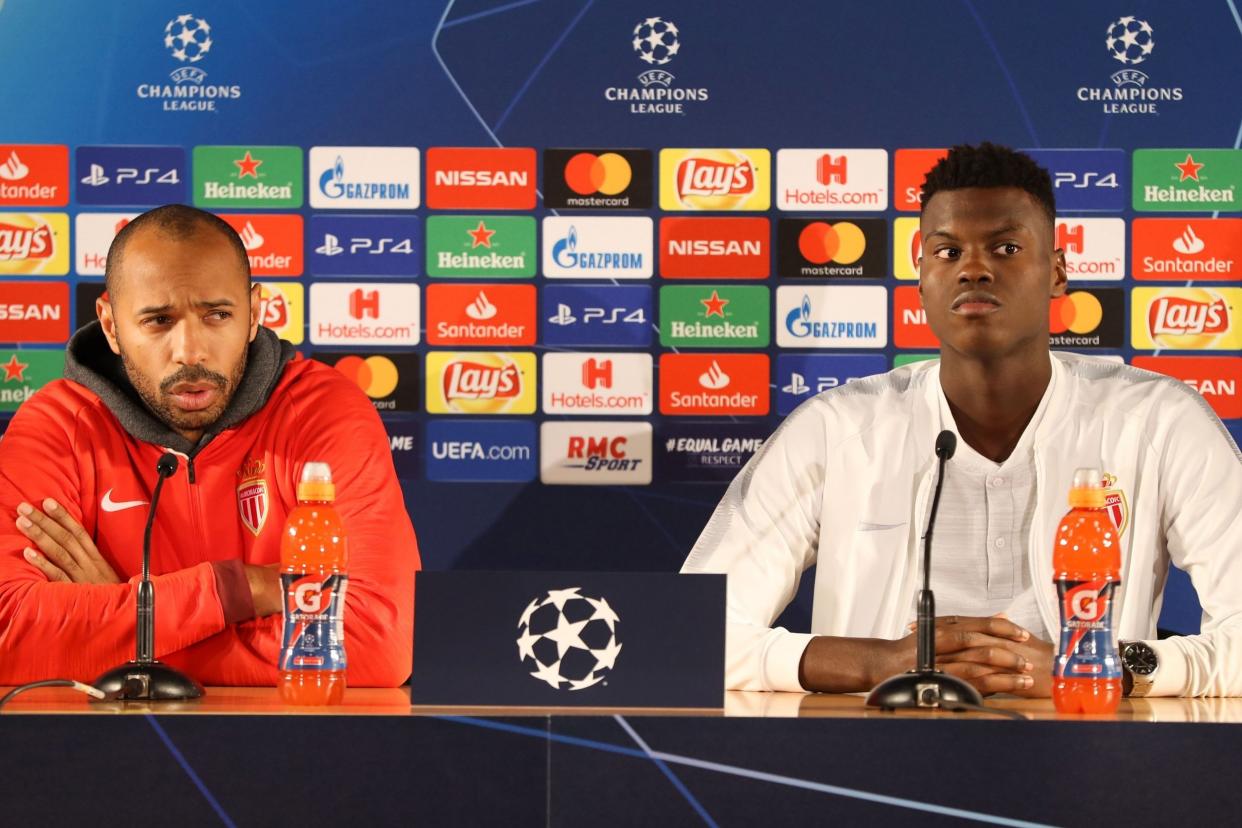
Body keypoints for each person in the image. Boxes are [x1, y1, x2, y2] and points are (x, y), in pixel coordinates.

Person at [683, 143, 1242, 698]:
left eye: (1004, 247)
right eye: (947, 252)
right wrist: (877, 663)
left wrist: (1094, 667)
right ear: (921, 277)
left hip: (1091, 757)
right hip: (871, 759)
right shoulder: (836, 429)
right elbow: (686, 633)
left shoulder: (1159, 421)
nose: (974, 268)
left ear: (1056, 272)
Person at [0, 205, 420, 687]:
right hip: (112, 754)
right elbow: (8, 632)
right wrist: (240, 587)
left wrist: (133, 632)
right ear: (112, 326)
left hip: (294, 750)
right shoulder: (59, 426)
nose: (190, 352)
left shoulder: (321, 411)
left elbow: (380, 641)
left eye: (217, 315)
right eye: (158, 321)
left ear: (255, 313)